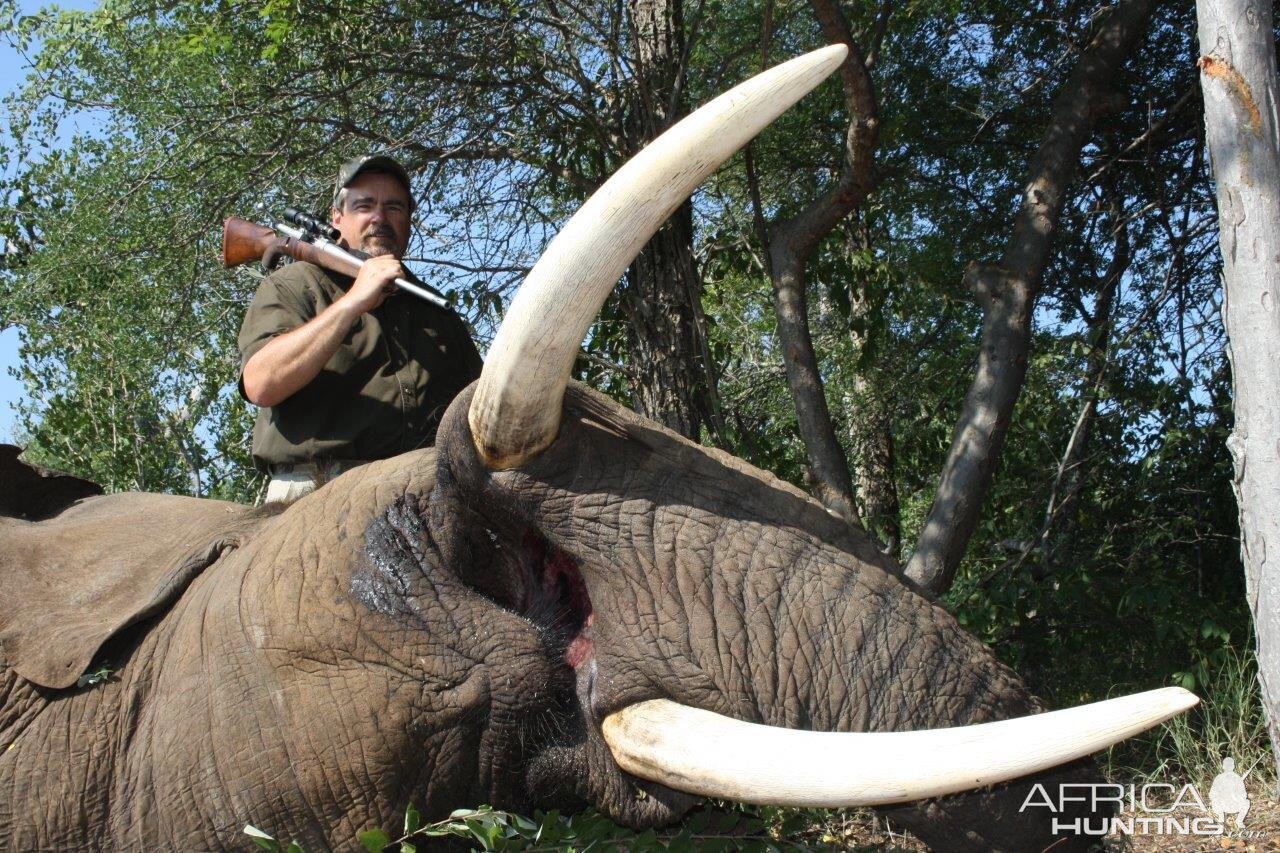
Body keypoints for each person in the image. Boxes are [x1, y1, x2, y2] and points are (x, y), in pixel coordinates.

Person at [238, 154, 483, 503]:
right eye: (364, 205)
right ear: (337, 218)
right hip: (313, 494)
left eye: (394, 207)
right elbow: (262, 384)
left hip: (423, 497)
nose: (379, 218)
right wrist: (355, 301)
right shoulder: (294, 285)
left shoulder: (435, 308)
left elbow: (479, 410)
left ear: (409, 222)